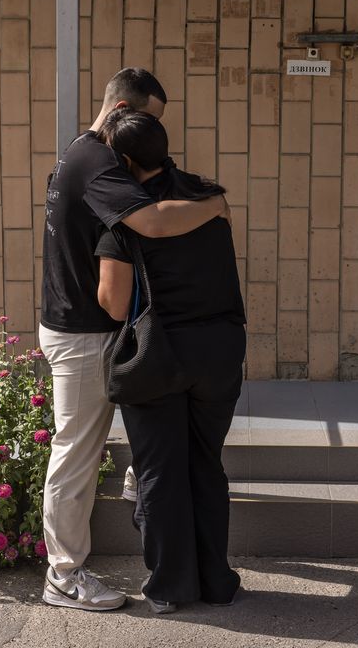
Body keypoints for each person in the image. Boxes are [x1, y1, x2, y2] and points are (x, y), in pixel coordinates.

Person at [39, 68, 229, 612]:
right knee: (75, 452)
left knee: (124, 431)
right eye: (146, 119)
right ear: (122, 107)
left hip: (93, 328)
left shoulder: (79, 150)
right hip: (82, 332)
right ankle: (64, 575)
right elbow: (152, 224)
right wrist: (215, 205)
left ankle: (137, 485)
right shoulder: (100, 164)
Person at [94, 109, 246, 614]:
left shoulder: (126, 217)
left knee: (159, 470)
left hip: (159, 354)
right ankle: (215, 581)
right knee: (205, 463)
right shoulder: (206, 197)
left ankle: (170, 587)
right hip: (219, 348)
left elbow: (115, 304)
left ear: (123, 160)